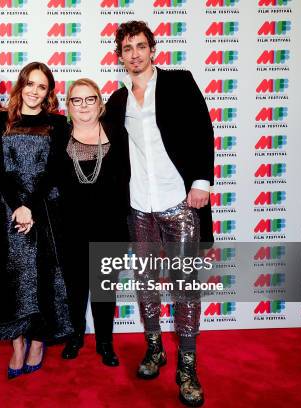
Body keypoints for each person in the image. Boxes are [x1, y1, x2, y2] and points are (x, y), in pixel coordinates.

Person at [105, 21, 214, 407]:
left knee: (185, 286)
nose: (134, 54)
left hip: (179, 202)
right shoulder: (118, 100)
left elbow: (203, 129)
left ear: (153, 49)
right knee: (148, 282)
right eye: (127, 48)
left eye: (140, 46)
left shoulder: (180, 82)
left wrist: (201, 182)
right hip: (139, 206)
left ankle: (187, 366)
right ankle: (155, 348)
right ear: (119, 56)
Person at [0, 62, 73, 379]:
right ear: (20, 86)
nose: (35, 91)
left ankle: (37, 343)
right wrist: (17, 206)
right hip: (5, 210)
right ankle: (17, 345)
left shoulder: (58, 123)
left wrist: (31, 207)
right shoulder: (2, 120)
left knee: (42, 279)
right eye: (30, 84)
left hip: (45, 210)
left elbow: (54, 171)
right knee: (10, 279)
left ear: (48, 92)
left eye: (42, 86)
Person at [58, 79, 130, 367]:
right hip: (70, 226)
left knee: (104, 288)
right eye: (77, 100)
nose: (84, 105)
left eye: (90, 99)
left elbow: (126, 177)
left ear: (100, 103)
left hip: (110, 225)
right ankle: (75, 336)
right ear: (68, 105)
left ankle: (105, 342)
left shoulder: (117, 133)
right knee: (74, 287)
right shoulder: (58, 134)